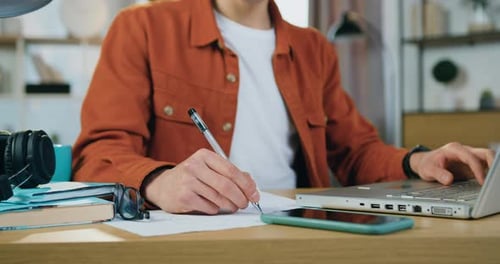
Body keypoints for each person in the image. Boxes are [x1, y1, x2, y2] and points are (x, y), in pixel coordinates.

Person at [72, 0, 495, 215]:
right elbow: (96, 155)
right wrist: (158, 182)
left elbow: (355, 151)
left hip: (299, 228)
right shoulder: (141, 28)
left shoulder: (313, 48)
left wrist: (418, 161)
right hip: (189, 237)